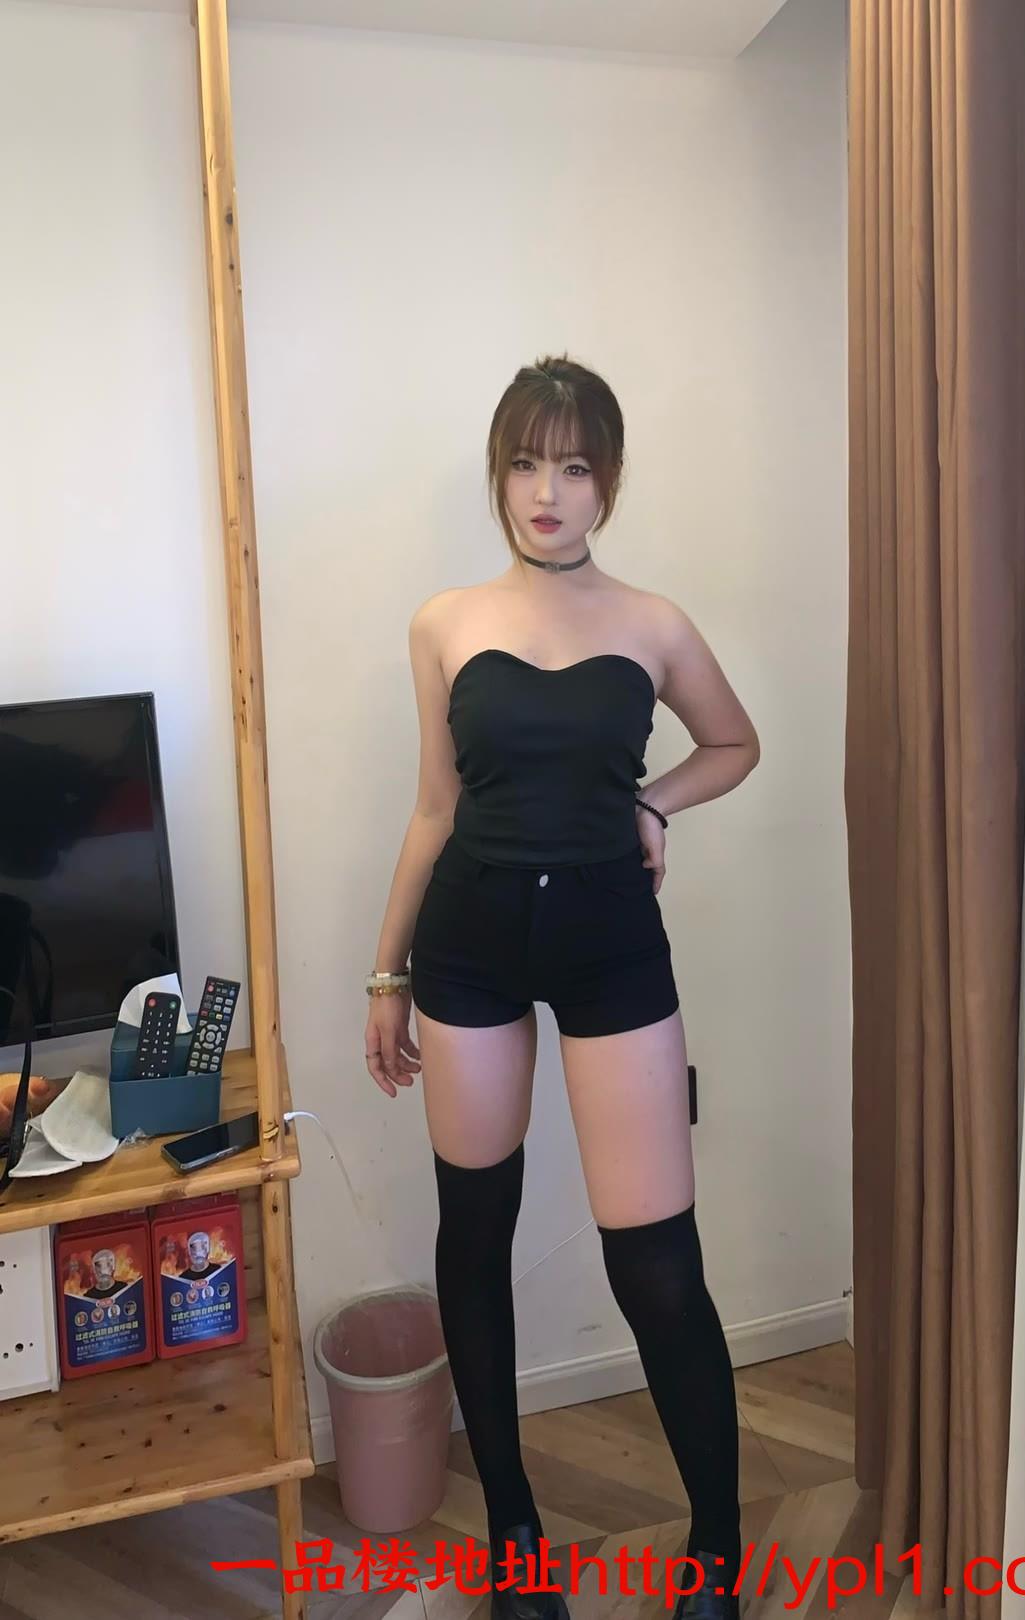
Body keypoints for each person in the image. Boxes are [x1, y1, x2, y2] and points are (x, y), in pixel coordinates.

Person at [364, 355, 760, 1620]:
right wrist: (386, 972)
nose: (547, 491)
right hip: (468, 945)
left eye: (574, 466)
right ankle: (517, 1540)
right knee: (474, 1234)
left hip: (609, 945)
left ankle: (717, 1549)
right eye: (526, 464)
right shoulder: (443, 623)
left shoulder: (653, 623)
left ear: (609, 481)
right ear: (499, 476)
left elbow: (734, 742)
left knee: (656, 1262)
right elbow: (435, 806)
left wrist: (654, 800)